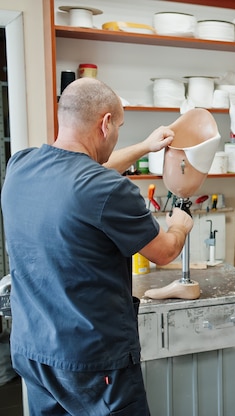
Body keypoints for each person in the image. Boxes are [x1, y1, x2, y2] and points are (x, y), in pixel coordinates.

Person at [0, 77, 194, 415]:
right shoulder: (109, 190)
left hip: (32, 349)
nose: (117, 133)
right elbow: (164, 252)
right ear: (105, 123)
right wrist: (179, 224)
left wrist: (144, 147)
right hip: (91, 361)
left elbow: (83, 170)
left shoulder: (21, 165)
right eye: (118, 126)